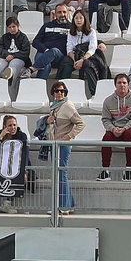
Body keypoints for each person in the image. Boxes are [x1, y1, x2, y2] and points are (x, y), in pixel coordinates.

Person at [44, 81, 84, 214]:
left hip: (63, 144)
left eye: (62, 91)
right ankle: (69, 204)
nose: (60, 93)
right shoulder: (54, 106)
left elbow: (80, 123)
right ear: (53, 93)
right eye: (57, 91)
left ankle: (63, 207)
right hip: (54, 143)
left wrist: (68, 136)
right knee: (59, 173)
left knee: (61, 174)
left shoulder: (67, 106)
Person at [97, 72, 131, 181]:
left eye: (124, 82)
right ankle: (105, 170)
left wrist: (124, 128)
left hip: (129, 128)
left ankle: (128, 169)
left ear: (128, 85)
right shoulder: (108, 101)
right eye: (119, 83)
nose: (122, 85)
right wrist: (113, 129)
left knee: (129, 135)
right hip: (115, 128)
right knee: (106, 138)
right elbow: (105, 119)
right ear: (115, 85)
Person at [55, 9, 104, 96]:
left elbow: (92, 49)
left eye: (81, 18)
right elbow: (69, 49)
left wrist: (82, 60)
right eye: (76, 18)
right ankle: (62, 93)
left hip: (88, 56)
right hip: (74, 56)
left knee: (90, 67)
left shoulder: (91, 32)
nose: (78, 20)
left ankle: (94, 94)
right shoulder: (71, 32)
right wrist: (74, 61)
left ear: (85, 19)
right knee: (65, 66)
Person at [30, 3, 74, 80]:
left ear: (67, 13)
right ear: (55, 14)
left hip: (59, 57)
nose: (62, 14)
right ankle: (38, 89)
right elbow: (36, 42)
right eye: (59, 12)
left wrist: (99, 43)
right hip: (44, 52)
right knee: (45, 65)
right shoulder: (47, 25)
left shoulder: (72, 27)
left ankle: (31, 69)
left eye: (64, 12)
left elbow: (87, 35)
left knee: (54, 51)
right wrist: (45, 50)